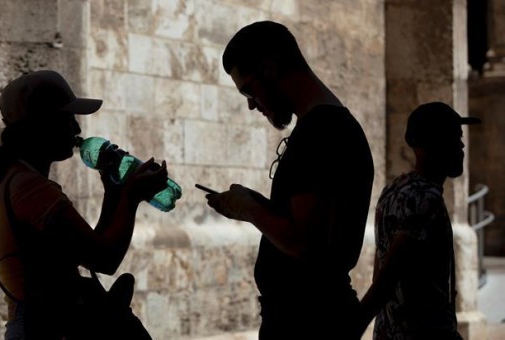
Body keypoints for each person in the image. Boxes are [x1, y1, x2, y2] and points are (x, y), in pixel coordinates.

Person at [203, 21, 375, 339]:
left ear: (269, 69)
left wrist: (250, 210)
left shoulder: (322, 133)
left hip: (309, 324)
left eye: (249, 89)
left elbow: (303, 241)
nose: (251, 104)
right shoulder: (324, 127)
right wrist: (254, 202)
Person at [0, 70, 167, 339]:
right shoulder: (30, 189)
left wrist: (114, 194)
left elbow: (91, 247)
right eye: (68, 119)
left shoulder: (18, 181)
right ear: (42, 126)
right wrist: (132, 196)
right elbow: (105, 259)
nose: (77, 129)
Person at [360, 102, 481, 339]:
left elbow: (380, 266)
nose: (462, 146)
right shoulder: (426, 201)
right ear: (432, 145)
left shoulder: (394, 189)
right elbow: (387, 278)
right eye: (454, 138)